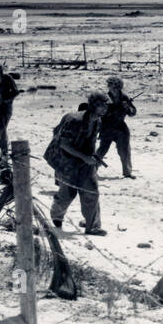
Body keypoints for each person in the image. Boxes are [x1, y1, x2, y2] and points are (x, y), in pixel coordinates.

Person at [46, 91, 109, 235]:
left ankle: (92, 226)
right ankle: (56, 216)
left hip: (84, 161)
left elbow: (90, 142)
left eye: (106, 105)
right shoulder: (75, 120)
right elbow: (64, 144)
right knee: (67, 193)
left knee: (91, 191)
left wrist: (93, 158)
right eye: (102, 105)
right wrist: (84, 157)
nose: (105, 108)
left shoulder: (97, 121)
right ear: (94, 106)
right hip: (66, 161)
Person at [96, 75, 137, 178]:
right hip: (107, 127)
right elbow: (100, 112)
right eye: (110, 85)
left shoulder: (124, 97)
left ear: (119, 87)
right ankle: (91, 170)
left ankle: (127, 172)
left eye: (114, 86)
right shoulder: (105, 97)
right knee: (102, 150)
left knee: (125, 151)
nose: (112, 88)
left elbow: (133, 113)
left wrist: (127, 108)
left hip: (120, 127)